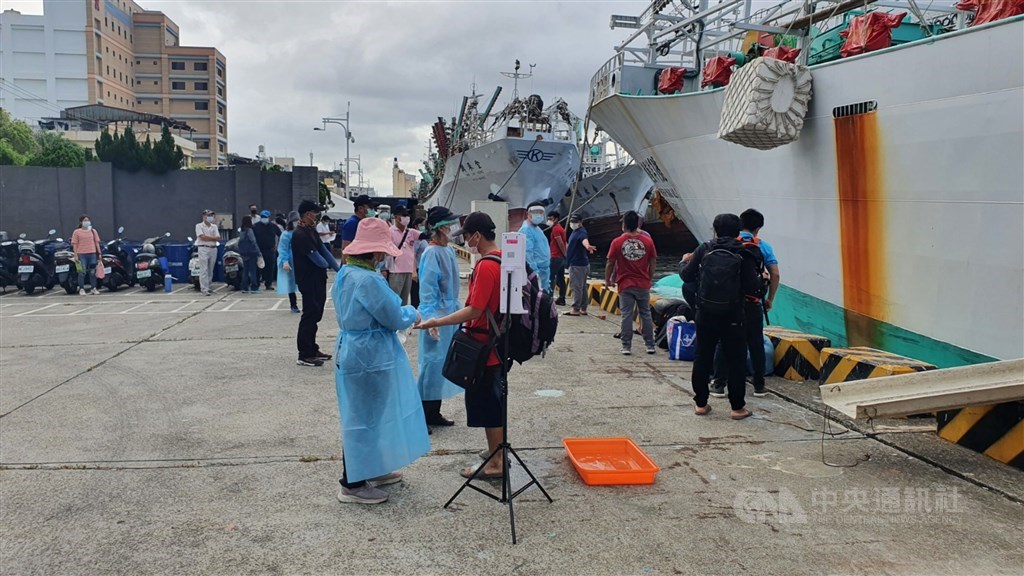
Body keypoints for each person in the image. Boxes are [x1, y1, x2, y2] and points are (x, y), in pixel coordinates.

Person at [332, 216, 429, 505]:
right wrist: (413, 313)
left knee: (367, 413)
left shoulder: (346, 272)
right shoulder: (369, 280)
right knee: (364, 416)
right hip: (369, 353)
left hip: (353, 347)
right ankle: (352, 483)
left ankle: (370, 468)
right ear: (374, 252)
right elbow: (393, 316)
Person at [416, 212, 506, 480]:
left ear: (477, 235)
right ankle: (497, 451)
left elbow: (475, 309)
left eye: (466, 235)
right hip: (498, 340)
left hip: (483, 344)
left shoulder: (486, 265)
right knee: (494, 399)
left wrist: (439, 320)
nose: (464, 240)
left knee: (487, 404)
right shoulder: (502, 259)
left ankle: (496, 461)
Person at [680, 213, 762, 420]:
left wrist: (684, 263)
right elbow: (754, 288)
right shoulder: (745, 252)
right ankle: (737, 408)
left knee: (703, 357)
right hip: (734, 315)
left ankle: (701, 404)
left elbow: (687, 276)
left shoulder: (705, 248)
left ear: (715, 230)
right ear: (738, 231)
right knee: (736, 360)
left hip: (705, 313)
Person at [709, 208, 781, 398]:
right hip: (752, 302)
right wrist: (769, 299)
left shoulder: (724, 242)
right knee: (755, 342)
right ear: (758, 228)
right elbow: (775, 273)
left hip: (727, 303)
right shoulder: (762, 246)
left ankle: (718, 384)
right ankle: (759, 385)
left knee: (724, 342)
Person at [416, 207, 463, 429]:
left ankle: (434, 413)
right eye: (449, 224)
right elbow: (427, 289)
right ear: (440, 228)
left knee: (443, 366)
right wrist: (428, 318)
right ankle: (423, 416)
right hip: (436, 318)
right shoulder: (431, 253)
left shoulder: (448, 250)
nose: (453, 228)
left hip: (450, 315)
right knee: (431, 367)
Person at [291, 200, 339, 366]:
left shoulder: (311, 230)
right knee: (310, 315)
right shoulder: (300, 234)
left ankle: (313, 348)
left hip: (318, 279)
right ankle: (304, 354)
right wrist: (328, 266)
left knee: (317, 314)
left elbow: (324, 251)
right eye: (314, 213)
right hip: (308, 280)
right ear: (306, 214)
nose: (316, 216)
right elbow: (317, 258)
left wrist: (338, 269)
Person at [605, 211, 658, 355]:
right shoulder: (647, 241)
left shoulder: (617, 242)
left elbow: (610, 262)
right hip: (642, 283)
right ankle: (650, 345)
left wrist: (607, 279)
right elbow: (653, 261)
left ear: (624, 225)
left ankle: (626, 346)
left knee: (626, 315)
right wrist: (649, 277)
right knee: (645, 314)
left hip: (625, 283)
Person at [564, 214, 597, 316]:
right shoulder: (576, 231)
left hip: (577, 265)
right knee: (582, 287)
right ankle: (583, 308)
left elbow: (584, 240)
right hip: (582, 263)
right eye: (572, 221)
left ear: (581, 222)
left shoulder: (581, 232)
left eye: (575, 221)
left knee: (576, 287)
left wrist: (587, 246)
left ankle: (575, 309)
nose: (573, 223)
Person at [387, 206, 421, 305]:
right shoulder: (390, 232)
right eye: (404, 215)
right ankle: (392, 319)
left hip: (408, 270)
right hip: (396, 270)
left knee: (404, 301)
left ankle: (402, 319)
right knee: (394, 300)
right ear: (397, 217)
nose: (407, 218)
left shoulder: (410, 232)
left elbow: (424, 236)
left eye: (408, 215)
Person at [519, 202, 550, 291]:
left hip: (544, 270)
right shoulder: (526, 230)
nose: (538, 215)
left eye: (541, 212)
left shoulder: (537, 229)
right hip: (537, 272)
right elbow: (527, 253)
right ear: (527, 214)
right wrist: (534, 272)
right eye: (535, 212)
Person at [70, 215, 102, 295]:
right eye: (85, 220)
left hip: (92, 254)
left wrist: (99, 253)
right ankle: (81, 289)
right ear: (81, 222)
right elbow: (75, 244)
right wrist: (76, 255)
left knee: (92, 272)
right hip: (81, 254)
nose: (87, 222)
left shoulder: (93, 231)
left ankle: (93, 288)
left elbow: (96, 242)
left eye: (88, 220)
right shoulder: (76, 232)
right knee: (82, 272)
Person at [277, 211, 301, 313]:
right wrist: (285, 261)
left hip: (301, 260)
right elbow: (283, 249)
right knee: (291, 283)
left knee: (305, 283)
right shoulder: (286, 234)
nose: (296, 223)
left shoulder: (301, 232)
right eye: (295, 221)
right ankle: (293, 305)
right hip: (291, 261)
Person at [341, 195, 377, 263]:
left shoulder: (364, 222)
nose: (373, 210)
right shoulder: (352, 223)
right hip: (353, 264)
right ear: (360, 208)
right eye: (370, 207)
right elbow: (346, 248)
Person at [194, 209, 220, 296]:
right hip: (203, 248)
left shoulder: (214, 226)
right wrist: (213, 238)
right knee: (204, 269)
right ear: (204, 217)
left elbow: (218, 237)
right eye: (208, 215)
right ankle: (204, 288)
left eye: (211, 215)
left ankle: (208, 286)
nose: (210, 217)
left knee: (210, 269)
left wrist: (209, 237)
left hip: (213, 248)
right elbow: (202, 237)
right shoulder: (199, 226)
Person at [253, 209, 281, 290]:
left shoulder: (274, 226)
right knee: (258, 268)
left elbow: (281, 236)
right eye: (262, 217)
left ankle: (268, 284)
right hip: (259, 251)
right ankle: (257, 284)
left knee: (270, 268)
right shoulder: (256, 226)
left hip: (270, 250)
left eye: (265, 217)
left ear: (269, 217)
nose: (263, 218)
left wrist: (277, 245)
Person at [547, 211, 568, 305]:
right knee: (561, 278)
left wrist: (564, 254)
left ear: (556, 219)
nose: (549, 221)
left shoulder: (555, 229)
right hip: (560, 257)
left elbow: (560, 243)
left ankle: (549, 297)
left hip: (556, 256)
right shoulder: (561, 229)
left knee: (551, 277)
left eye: (551, 219)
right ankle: (562, 298)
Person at [238, 216, 261, 294]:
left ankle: (245, 287)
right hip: (251, 253)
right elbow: (253, 241)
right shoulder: (249, 230)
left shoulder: (241, 230)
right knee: (253, 270)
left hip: (244, 253)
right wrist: (258, 252)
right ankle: (254, 287)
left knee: (245, 270)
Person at [410, 216, 427, 308]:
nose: (423, 226)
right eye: (421, 225)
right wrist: (413, 271)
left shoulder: (422, 237)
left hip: (422, 268)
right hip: (417, 268)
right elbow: (413, 254)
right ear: (416, 226)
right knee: (415, 294)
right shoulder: (416, 239)